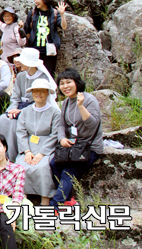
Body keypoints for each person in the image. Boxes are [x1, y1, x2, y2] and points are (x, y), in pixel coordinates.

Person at [49, 68, 103, 210]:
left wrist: (80, 106)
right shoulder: (66, 102)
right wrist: (61, 139)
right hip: (73, 146)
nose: (65, 86)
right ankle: (67, 199)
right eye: (62, 83)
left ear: (77, 83)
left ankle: (55, 205)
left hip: (89, 147)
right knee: (54, 164)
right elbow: (61, 124)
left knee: (69, 171)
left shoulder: (89, 100)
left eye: (68, 82)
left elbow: (92, 125)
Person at [0, 48, 57, 161]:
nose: (19, 63)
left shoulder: (43, 77)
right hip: (18, 107)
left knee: (14, 125)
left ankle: (12, 155)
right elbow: (15, 97)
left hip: (35, 109)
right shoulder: (21, 76)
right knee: (4, 119)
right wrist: (12, 110)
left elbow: (41, 100)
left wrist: (21, 111)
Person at [15, 79, 60, 205]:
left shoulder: (55, 112)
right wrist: (27, 151)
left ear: (47, 93)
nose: (38, 94)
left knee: (42, 167)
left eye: (42, 91)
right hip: (29, 145)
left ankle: (44, 200)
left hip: (47, 146)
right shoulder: (25, 111)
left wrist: (41, 154)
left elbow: (55, 134)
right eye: (36, 91)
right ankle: (23, 201)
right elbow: (21, 132)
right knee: (21, 166)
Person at [23, 0, 68, 77]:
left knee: (48, 75)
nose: (36, 1)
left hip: (49, 51)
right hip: (35, 50)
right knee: (34, 75)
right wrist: (31, 40)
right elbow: (27, 29)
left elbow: (64, 26)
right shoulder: (32, 13)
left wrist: (62, 14)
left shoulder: (54, 13)